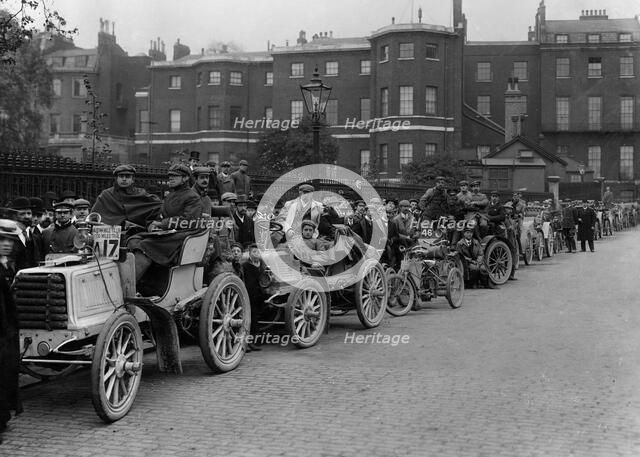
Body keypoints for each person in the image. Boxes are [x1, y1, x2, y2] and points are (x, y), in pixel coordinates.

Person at [127, 164, 204, 282]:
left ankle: (130, 285)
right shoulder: (171, 195)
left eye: (175, 176)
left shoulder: (192, 197)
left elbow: (189, 221)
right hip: (169, 233)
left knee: (145, 245)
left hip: (183, 235)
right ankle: (142, 283)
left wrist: (162, 224)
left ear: (185, 178)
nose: (170, 178)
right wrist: (154, 224)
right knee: (133, 240)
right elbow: (162, 215)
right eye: (169, 176)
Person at [0, 219, 23, 443]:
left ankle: (3, 416)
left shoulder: (7, 264)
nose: (6, 244)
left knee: (6, 374)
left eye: (9, 240)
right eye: (2, 240)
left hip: (6, 329)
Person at [92, 164, 162, 229]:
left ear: (132, 180)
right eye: (121, 176)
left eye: (127, 176)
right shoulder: (106, 195)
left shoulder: (141, 193)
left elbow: (156, 206)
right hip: (111, 232)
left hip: (136, 233)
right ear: (116, 179)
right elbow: (94, 216)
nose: (124, 179)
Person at [241, 244, 266, 352]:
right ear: (250, 253)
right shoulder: (246, 266)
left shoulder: (262, 266)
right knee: (248, 317)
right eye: (254, 252)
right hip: (249, 293)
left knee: (256, 317)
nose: (256, 254)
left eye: (258, 252)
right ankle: (247, 342)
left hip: (259, 294)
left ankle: (254, 340)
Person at [10, 196, 39, 269]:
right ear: (14, 216)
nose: (27, 217)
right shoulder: (10, 237)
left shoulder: (36, 238)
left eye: (29, 213)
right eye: (22, 214)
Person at [456, 223, 485, 288]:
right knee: (474, 268)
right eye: (467, 232)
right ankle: (470, 284)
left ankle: (483, 284)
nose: (469, 234)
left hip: (476, 262)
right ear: (464, 234)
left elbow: (481, 254)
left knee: (484, 268)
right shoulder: (460, 244)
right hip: (466, 263)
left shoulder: (476, 242)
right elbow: (460, 256)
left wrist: (478, 262)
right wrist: (471, 261)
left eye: (471, 233)